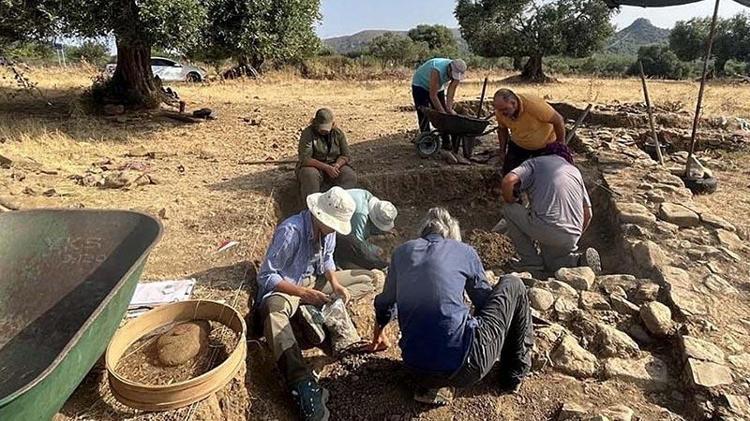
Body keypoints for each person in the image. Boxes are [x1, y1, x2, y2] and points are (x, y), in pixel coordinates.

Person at [365, 208, 534, 405]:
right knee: (513, 284)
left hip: (414, 369)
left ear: (423, 232)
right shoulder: (464, 251)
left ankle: (432, 385)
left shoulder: (401, 252)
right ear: (451, 234)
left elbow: (385, 303)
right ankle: (513, 375)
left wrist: (377, 336)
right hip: (466, 369)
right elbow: (484, 302)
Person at [255, 186, 380, 421]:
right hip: (288, 287)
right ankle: (301, 383)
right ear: (321, 215)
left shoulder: (328, 231)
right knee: (273, 313)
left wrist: (336, 284)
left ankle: (315, 311)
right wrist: (302, 293)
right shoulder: (291, 231)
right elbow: (267, 276)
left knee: (370, 278)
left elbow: (328, 259)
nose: (335, 229)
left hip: (313, 282)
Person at [500, 143, 601, 274]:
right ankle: (577, 261)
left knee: (509, 209)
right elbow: (588, 214)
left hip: (547, 228)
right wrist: (569, 236)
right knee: (550, 263)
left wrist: (511, 200)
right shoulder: (574, 171)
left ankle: (530, 261)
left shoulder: (534, 163)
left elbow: (508, 181)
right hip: (573, 235)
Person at [493, 88, 567, 175]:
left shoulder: (534, 105)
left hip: (545, 147)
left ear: (513, 103)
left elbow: (558, 120)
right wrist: (502, 151)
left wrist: (560, 146)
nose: (502, 113)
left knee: (543, 175)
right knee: (509, 174)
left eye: (505, 109)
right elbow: (502, 129)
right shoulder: (500, 112)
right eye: (499, 110)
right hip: (519, 144)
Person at [297, 108, 357, 200]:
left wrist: (337, 165)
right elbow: (305, 159)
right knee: (310, 175)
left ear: (333, 124)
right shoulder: (308, 134)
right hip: (314, 167)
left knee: (349, 176)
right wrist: (326, 167)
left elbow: (345, 155)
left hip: (333, 165)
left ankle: (340, 203)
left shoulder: (338, 134)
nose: (324, 131)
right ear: (314, 123)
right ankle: (311, 206)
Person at [334, 188, 398, 270]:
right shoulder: (360, 214)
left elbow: (368, 225)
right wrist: (375, 250)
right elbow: (357, 243)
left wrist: (382, 232)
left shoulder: (367, 197)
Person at [411, 58, 467, 148]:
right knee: (424, 112)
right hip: (420, 85)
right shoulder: (437, 69)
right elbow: (433, 95)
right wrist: (443, 114)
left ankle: (446, 142)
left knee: (444, 111)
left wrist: (449, 109)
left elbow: (451, 91)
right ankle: (426, 141)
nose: (454, 78)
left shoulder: (458, 71)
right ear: (449, 69)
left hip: (438, 87)